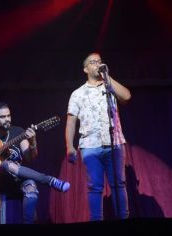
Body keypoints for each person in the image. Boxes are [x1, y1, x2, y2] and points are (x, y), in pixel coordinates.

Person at [0, 100, 70, 224]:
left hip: (17, 179)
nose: (7, 119)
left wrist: (33, 142)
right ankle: (50, 180)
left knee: (31, 186)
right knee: (4, 164)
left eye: (8, 116)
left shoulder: (18, 132)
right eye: (2, 117)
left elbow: (30, 157)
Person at [65, 52, 131, 221]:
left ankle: (123, 219)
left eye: (100, 62)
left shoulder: (109, 87)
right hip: (90, 146)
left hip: (114, 143)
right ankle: (96, 221)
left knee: (119, 184)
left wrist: (107, 76)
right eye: (93, 62)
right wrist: (70, 146)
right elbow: (71, 122)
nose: (97, 64)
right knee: (95, 187)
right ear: (85, 69)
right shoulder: (77, 94)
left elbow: (126, 96)